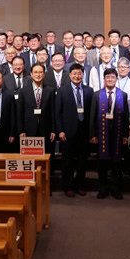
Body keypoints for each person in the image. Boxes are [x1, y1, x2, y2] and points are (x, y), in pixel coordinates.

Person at [54, 63, 93, 197]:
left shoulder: (89, 91)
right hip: (67, 131)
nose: (77, 76)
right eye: (74, 73)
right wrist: (60, 130)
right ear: (70, 75)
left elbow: (91, 113)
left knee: (82, 161)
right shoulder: (62, 91)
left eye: (79, 73)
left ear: (83, 75)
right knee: (68, 161)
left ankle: (79, 185)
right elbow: (58, 113)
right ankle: (68, 186)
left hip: (84, 131)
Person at [89, 68, 129, 199]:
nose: (110, 79)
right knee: (102, 162)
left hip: (117, 133)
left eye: (113, 77)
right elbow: (92, 116)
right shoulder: (97, 95)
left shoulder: (123, 95)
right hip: (101, 133)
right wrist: (93, 134)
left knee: (117, 162)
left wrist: (125, 135)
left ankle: (116, 188)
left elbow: (126, 116)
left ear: (116, 79)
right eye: (108, 77)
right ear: (104, 79)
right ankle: (103, 188)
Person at [16, 63, 55, 151]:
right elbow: (19, 113)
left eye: (40, 72)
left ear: (44, 74)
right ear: (31, 74)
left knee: (46, 154)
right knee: (30, 155)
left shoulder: (50, 91)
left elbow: (53, 112)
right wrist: (21, 131)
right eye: (35, 72)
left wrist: (53, 130)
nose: (38, 75)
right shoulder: (23, 91)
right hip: (28, 129)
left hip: (46, 129)